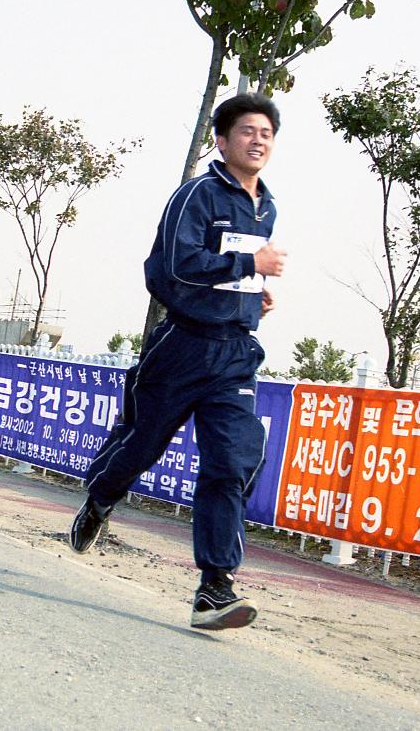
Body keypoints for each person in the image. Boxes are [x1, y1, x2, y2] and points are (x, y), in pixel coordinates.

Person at [68, 94, 288, 632]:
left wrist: (250, 294)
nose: (258, 140)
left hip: (235, 353)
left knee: (231, 462)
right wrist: (248, 263)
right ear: (221, 139)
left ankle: (215, 587)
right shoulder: (195, 195)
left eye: (266, 133)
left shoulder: (267, 206)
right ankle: (100, 497)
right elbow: (170, 270)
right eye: (246, 132)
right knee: (142, 444)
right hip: (183, 347)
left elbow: (231, 274)